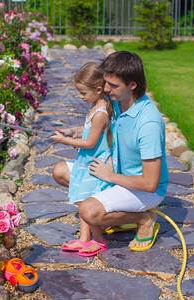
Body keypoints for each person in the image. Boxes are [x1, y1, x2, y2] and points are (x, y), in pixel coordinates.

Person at [77, 50, 170, 253]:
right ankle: (119, 213)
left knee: (88, 211)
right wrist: (77, 134)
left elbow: (150, 183)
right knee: (63, 171)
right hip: (117, 174)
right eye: (106, 82)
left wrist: (110, 175)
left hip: (144, 189)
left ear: (133, 85)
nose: (106, 89)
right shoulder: (118, 102)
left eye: (113, 85)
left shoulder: (148, 124)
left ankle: (144, 220)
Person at [50, 62, 114, 256]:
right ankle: (84, 239)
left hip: (94, 163)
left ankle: (99, 240)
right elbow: (89, 135)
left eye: (83, 93)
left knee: (86, 199)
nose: (81, 97)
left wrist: (65, 140)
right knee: (81, 198)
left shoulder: (101, 113)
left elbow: (92, 143)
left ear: (98, 89)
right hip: (86, 161)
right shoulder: (95, 106)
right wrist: (73, 133)